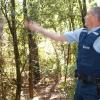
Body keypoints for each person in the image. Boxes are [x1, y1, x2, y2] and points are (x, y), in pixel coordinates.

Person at [24, 7, 100, 100]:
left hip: (94, 89)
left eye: (88, 14)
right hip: (80, 85)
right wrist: (38, 29)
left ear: (95, 17)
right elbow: (58, 37)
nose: (85, 17)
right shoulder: (81, 32)